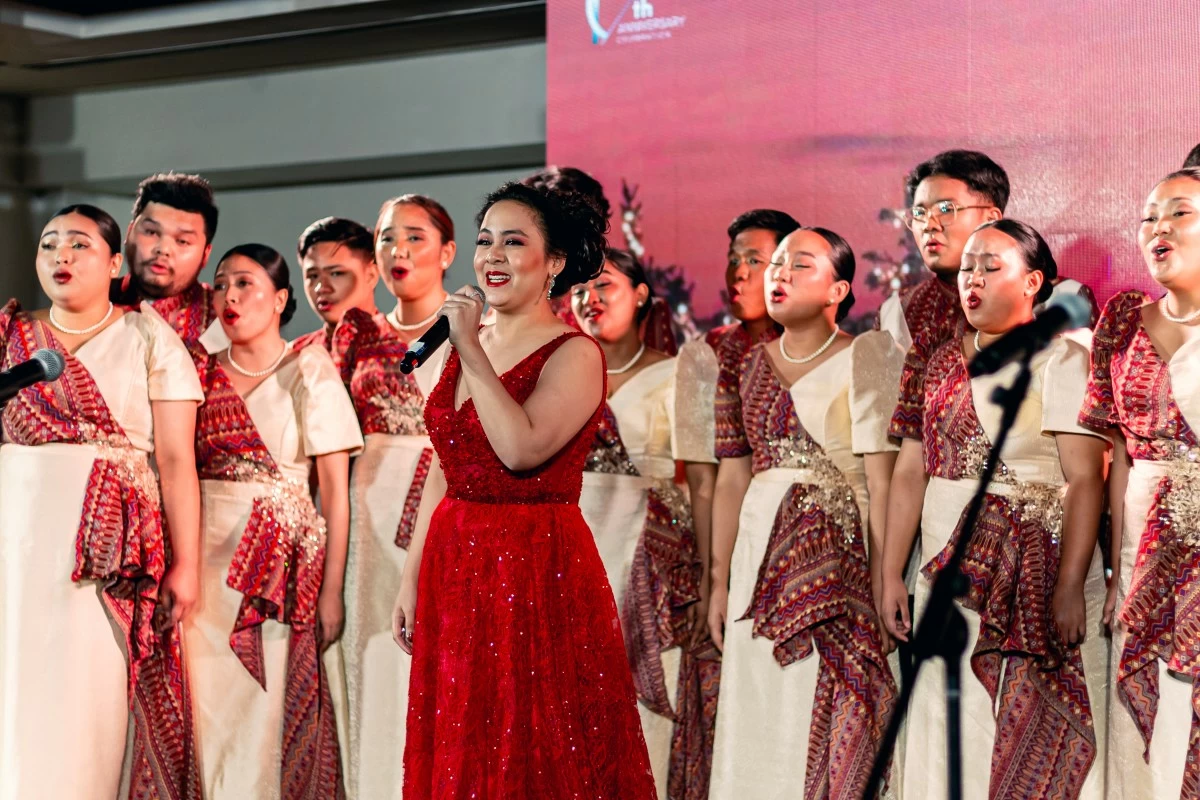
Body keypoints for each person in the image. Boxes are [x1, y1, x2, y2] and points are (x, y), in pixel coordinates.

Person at [393, 181, 657, 797]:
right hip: (456, 560)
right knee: (464, 735)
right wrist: (412, 574)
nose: (493, 257)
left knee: (534, 740)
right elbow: (447, 461)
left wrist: (470, 350)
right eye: (486, 241)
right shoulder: (471, 342)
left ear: (555, 262)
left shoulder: (575, 352)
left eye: (514, 243)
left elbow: (520, 449)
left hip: (536, 567)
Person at [879, 220, 1108, 799]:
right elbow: (910, 471)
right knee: (942, 712)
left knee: (1025, 718)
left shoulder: (1063, 362)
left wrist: (1070, 585)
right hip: (944, 565)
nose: (972, 280)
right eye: (966, 268)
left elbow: (1085, 480)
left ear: (1033, 282)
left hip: (1037, 572)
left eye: (990, 267)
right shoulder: (932, 362)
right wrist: (889, 573)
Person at [0, 204, 203, 798]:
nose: (61, 256)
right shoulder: (10, 335)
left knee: (83, 692)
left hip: (105, 554)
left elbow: (174, 462)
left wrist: (186, 565)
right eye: (49, 244)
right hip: (15, 537)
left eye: (79, 245)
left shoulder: (148, 336)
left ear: (116, 263)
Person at [706, 226, 899, 798]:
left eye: (801, 265)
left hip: (838, 560)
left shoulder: (868, 353)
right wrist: (719, 582)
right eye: (778, 264)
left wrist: (882, 577)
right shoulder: (741, 364)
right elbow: (732, 476)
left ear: (838, 289)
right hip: (756, 554)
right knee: (760, 695)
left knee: (825, 692)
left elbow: (878, 479)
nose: (780, 274)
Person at [184, 243, 363, 798]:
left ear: (282, 298)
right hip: (202, 560)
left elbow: (335, 493)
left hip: (276, 570)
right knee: (202, 710)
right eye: (220, 285)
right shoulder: (196, 372)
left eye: (245, 284)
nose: (230, 297)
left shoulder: (309, 368)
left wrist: (331, 591)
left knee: (262, 712)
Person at [297, 199, 455, 797]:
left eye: (416, 237)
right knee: (372, 665)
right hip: (366, 514)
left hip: (450, 509)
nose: (400, 250)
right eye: (389, 238)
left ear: (447, 252)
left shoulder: (477, 328)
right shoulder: (357, 335)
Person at [668, 207, 800, 799]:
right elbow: (704, 479)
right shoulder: (709, 354)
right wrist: (711, 576)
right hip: (736, 542)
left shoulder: (841, 350)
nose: (740, 274)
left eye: (757, 259)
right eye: (734, 260)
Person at [1081, 167, 1200, 799]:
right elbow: (1117, 454)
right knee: (1147, 705)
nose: (1158, 227)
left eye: (1178, 212)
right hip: (1143, 540)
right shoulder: (1121, 321)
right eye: (1149, 216)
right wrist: (1115, 566)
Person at [570, 247, 701, 797]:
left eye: (603, 286)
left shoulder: (680, 371)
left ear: (642, 293)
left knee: (642, 680)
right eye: (577, 290)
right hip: (573, 537)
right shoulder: (561, 371)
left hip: (649, 545)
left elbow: (699, 477)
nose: (589, 299)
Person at [111, 172, 222, 348]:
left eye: (183, 241)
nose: (163, 249)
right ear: (129, 232)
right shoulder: (92, 299)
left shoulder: (223, 319)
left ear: (205, 254)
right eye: (151, 232)